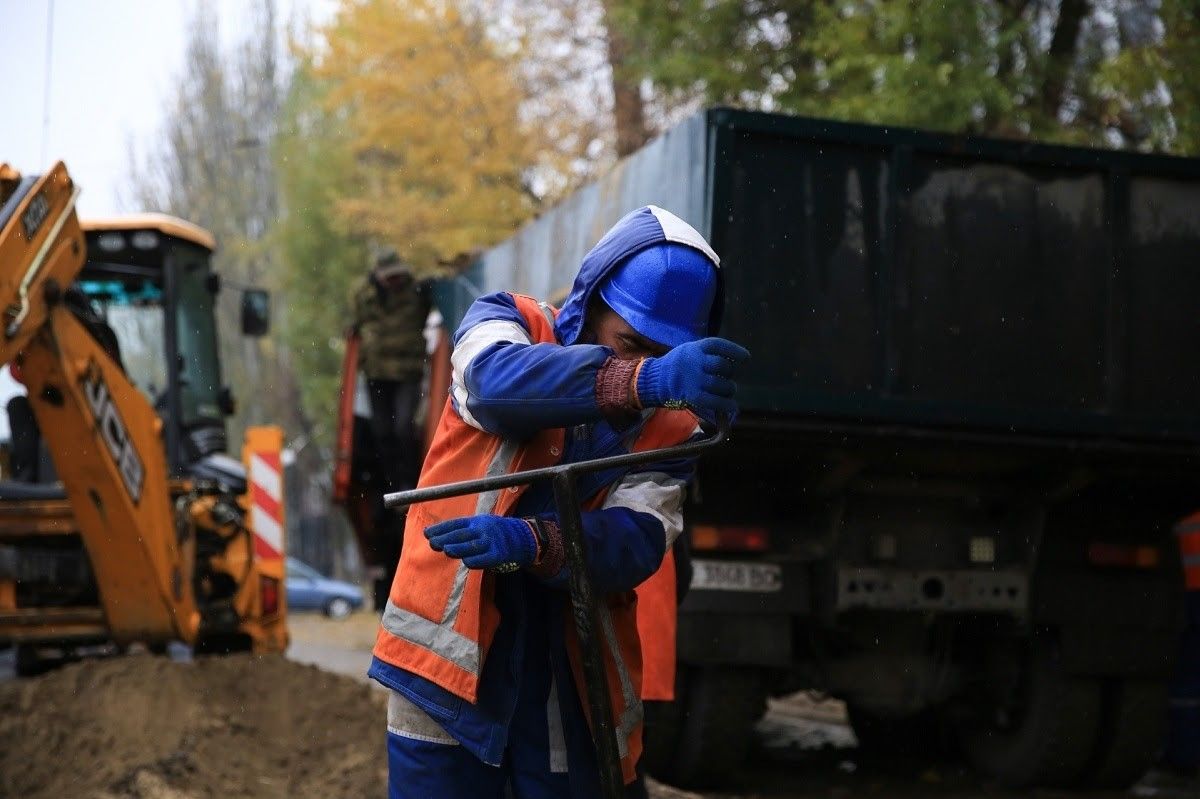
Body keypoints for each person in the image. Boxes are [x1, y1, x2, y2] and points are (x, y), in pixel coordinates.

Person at [368, 205, 749, 798]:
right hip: (445, 671)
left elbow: (637, 541)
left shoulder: (675, 427)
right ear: (591, 304)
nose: (644, 360)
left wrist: (537, 542)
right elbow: (494, 387)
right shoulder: (503, 321)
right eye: (628, 342)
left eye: (661, 352)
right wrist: (636, 382)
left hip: (567, 674)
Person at [349, 246, 433, 607]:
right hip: (377, 373)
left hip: (407, 372)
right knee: (383, 432)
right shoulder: (363, 294)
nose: (397, 281)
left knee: (402, 430)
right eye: (391, 276)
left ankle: (404, 481)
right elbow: (354, 326)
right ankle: (391, 480)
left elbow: (437, 297)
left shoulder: (417, 291)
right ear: (380, 276)